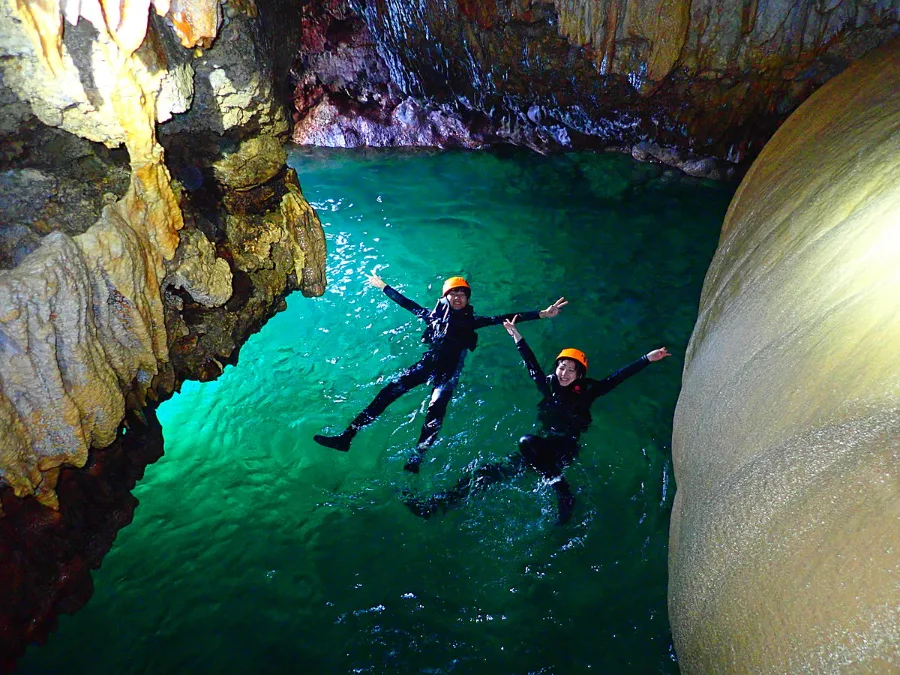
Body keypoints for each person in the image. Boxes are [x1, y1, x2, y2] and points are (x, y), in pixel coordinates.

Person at [405, 316, 670, 523]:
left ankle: (562, 489)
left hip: (564, 449)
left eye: (571, 370)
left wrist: (647, 358)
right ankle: (435, 506)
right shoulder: (548, 385)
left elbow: (617, 378)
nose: (564, 372)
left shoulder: (589, 391)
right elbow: (531, 364)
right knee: (486, 472)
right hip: (540, 449)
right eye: (561, 367)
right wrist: (517, 335)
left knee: (526, 441)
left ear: (580, 374)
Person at [314, 274, 568, 473]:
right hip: (425, 366)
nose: (458, 297)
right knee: (385, 395)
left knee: (434, 415)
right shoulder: (431, 317)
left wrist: (542, 314)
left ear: (468, 299)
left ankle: (416, 459)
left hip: (447, 377)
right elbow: (407, 304)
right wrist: (383, 286)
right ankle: (346, 437)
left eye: (462, 294)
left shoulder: (471, 321)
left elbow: (504, 317)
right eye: (453, 293)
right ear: (445, 298)